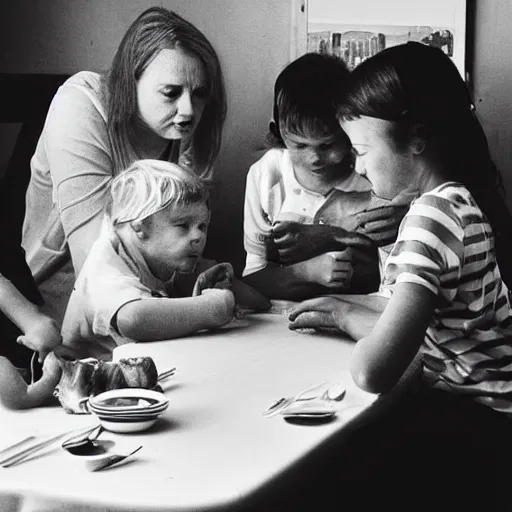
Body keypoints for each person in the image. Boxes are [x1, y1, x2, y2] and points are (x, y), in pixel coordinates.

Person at [287, 42, 512, 510]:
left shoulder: (431, 218)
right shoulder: (461, 202)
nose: (358, 166)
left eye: (362, 149)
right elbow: (421, 317)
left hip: (477, 425)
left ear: (417, 138)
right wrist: (341, 308)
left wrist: (350, 321)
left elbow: (374, 369)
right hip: (492, 413)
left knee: (326, 472)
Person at [22, 7, 227, 325]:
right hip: (61, 312)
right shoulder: (79, 105)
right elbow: (95, 272)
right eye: (170, 93)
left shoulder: (181, 128)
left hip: (151, 299)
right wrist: (210, 305)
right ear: (130, 82)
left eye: (199, 94)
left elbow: (182, 253)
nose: (188, 110)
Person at [61, 160, 269, 361]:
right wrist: (214, 307)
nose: (198, 236)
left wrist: (228, 288)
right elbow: (133, 319)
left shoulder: (161, 255)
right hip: (91, 386)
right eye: (183, 225)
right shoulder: (106, 266)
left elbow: (260, 303)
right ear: (139, 226)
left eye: (202, 226)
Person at [242, 52, 409, 301]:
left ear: (351, 130)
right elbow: (254, 276)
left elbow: (396, 285)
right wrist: (305, 273)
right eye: (299, 145)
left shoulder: (374, 176)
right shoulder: (266, 175)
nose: (314, 159)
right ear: (277, 131)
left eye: (328, 145)